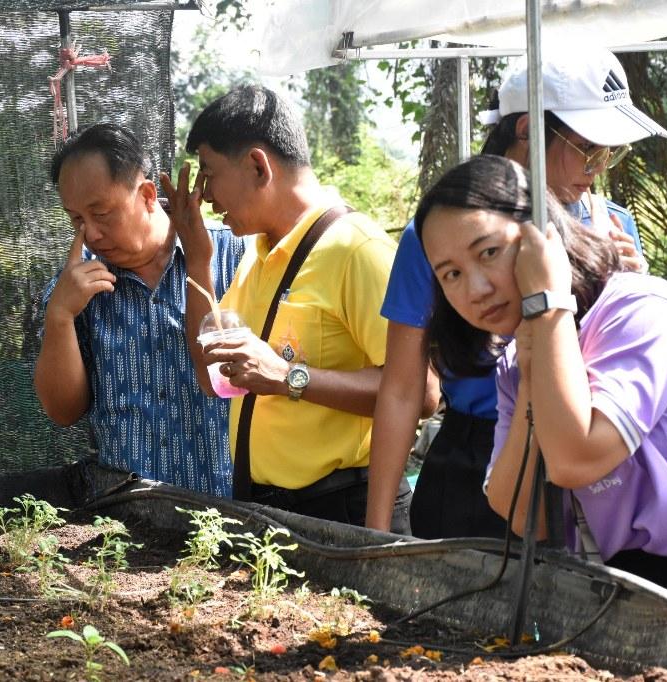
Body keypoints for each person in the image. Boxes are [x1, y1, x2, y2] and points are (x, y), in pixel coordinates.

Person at [414, 153, 667, 635]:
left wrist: (550, 304)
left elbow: (575, 459)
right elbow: (522, 514)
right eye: (451, 274)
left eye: (489, 252)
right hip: (622, 600)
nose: (475, 289)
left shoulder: (640, 312)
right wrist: (534, 365)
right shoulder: (517, 360)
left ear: (543, 239)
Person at [367, 46, 665, 537]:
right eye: (588, 149)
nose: (597, 168)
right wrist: (377, 534)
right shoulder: (438, 236)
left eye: (609, 153)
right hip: (474, 461)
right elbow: (401, 388)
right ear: (526, 130)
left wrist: (628, 286)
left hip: (587, 453)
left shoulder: (612, 228)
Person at [162, 84, 417, 532]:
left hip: (343, 509)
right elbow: (211, 378)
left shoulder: (357, 249)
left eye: (209, 173)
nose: (205, 195)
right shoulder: (256, 254)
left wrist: (287, 377)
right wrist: (198, 260)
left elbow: (422, 392)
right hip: (267, 510)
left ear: (257, 166)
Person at [34, 123, 244, 497]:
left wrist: (199, 266)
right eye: (77, 219)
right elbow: (63, 411)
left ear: (147, 195)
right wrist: (60, 316)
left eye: (101, 213)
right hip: (125, 515)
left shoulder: (234, 255)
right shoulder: (75, 285)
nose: (91, 234)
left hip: (229, 507)